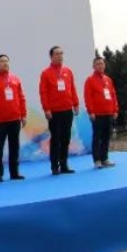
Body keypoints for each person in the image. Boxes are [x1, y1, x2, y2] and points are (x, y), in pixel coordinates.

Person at [0, 54, 27, 182]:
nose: (5, 63)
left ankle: (14, 172)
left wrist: (23, 115)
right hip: (0, 120)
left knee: (14, 147)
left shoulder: (15, 79)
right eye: (2, 61)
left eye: (6, 61)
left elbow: (21, 98)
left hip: (15, 118)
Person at [40, 46, 80, 175]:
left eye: (61, 53)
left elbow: (72, 88)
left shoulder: (68, 71)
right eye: (57, 54)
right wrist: (46, 109)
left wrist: (76, 104)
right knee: (55, 139)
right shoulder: (46, 73)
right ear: (51, 56)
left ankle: (64, 165)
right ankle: (54, 166)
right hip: (54, 112)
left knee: (66, 139)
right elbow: (43, 92)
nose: (60, 56)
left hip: (67, 109)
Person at [84, 55, 120, 167]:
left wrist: (115, 110)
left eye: (102, 64)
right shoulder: (90, 80)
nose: (100, 66)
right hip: (97, 114)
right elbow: (88, 97)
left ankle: (105, 158)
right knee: (97, 138)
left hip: (109, 113)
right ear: (93, 66)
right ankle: (97, 160)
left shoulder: (108, 80)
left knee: (106, 137)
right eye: (97, 64)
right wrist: (91, 112)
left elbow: (113, 95)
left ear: (105, 65)